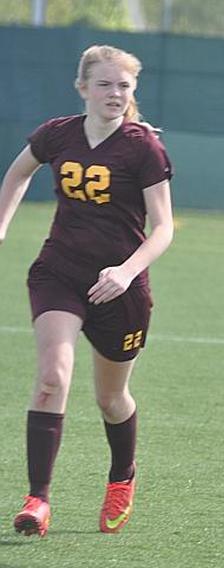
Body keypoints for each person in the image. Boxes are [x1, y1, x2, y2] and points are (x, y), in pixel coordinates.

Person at [0, 45, 174, 536]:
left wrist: (125, 271)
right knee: (52, 377)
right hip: (60, 272)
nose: (114, 94)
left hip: (121, 288)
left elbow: (163, 228)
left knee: (110, 398)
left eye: (123, 86)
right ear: (82, 88)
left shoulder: (144, 147)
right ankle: (38, 500)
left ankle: (122, 477)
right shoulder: (58, 134)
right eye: (104, 84)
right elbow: (17, 173)